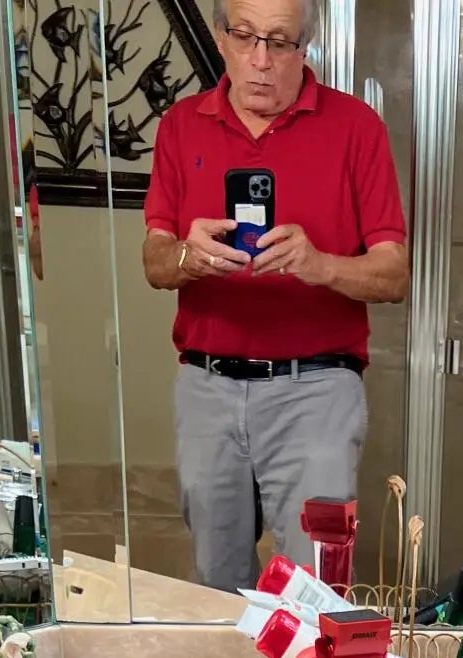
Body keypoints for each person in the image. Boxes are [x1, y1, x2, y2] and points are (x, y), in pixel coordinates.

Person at [142, 0, 408, 592]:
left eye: (279, 41)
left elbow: (393, 275)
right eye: (245, 36)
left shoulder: (356, 126)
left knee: (316, 588)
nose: (260, 60)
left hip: (316, 389)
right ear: (220, 38)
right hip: (207, 386)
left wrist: (319, 265)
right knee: (216, 584)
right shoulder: (181, 126)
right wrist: (189, 257)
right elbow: (155, 263)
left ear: (304, 46)